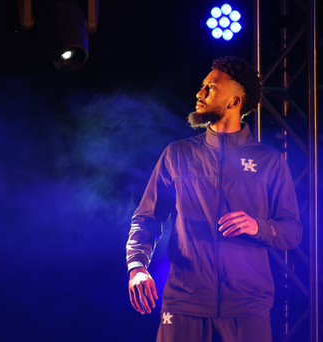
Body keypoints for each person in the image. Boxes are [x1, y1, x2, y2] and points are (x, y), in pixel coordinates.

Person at [126, 56, 302, 342]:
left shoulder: (270, 162)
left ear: (234, 101)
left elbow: (292, 232)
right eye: (201, 86)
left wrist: (258, 226)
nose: (199, 93)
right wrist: (137, 267)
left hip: (248, 307)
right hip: (183, 304)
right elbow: (146, 218)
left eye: (210, 87)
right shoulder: (177, 154)